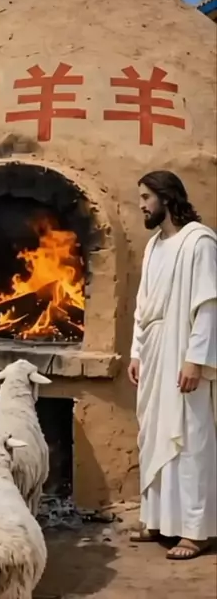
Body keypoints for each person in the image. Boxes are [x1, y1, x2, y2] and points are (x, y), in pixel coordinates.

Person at [128, 169, 216, 560]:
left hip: (183, 351)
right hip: (154, 353)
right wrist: (136, 351)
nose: (141, 205)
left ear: (166, 198)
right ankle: (159, 520)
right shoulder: (153, 246)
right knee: (154, 436)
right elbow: (142, 306)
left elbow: (209, 307)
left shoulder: (199, 242)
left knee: (189, 439)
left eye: (146, 197)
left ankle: (196, 532)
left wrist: (195, 360)